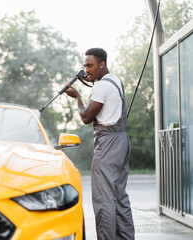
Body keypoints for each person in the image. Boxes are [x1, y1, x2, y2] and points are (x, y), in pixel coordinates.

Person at [65, 48, 135, 240]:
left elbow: (86, 116)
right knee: (119, 197)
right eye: (85, 65)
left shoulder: (100, 87)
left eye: (90, 65)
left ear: (102, 64)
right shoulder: (115, 81)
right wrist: (90, 81)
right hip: (122, 140)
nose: (86, 69)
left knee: (103, 199)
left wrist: (77, 97)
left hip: (108, 144)